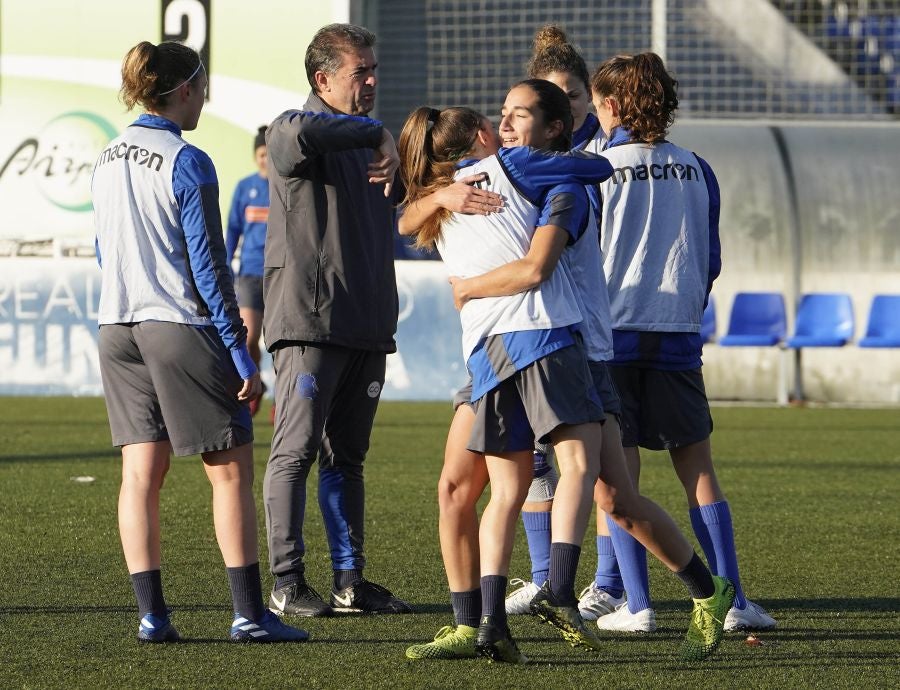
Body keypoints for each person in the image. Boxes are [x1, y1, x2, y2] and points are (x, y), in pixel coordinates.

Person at [401, 80, 733, 663]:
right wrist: (438, 198)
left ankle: (645, 591)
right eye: (499, 115)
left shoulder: (560, 185)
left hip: (575, 348)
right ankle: (480, 621)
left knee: (613, 496)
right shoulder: (468, 189)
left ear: (552, 128)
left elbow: (535, 266)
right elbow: (408, 220)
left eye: (516, 115)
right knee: (466, 486)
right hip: (502, 347)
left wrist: (469, 285)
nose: (504, 125)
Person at [91, 40, 307, 644]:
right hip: (179, 325)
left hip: (116, 327)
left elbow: (104, 250)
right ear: (184, 88)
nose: (206, 96)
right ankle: (248, 614)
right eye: (203, 85)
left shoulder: (105, 157)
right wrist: (242, 352)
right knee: (229, 470)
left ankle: (151, 617)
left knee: (140, 475)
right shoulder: (187, 160)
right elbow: (209, 265)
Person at [588, 53, 776, 634]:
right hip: (676, 335)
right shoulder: (698, 167)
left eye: (596, 106)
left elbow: (580, 254)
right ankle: (737, 599)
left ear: (614, 106)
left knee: (621, 477)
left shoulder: (595, 167)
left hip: (610, 338)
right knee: (698, 469)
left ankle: (638, 607)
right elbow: (710, 258)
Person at [262, 23, 411, 618]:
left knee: (347, 458)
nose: (372, 81)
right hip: (310, 324)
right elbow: (292, 132)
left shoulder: (376, 148)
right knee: (294, 453)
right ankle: (285, 581)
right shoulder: (295, 131)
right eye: (360, 72)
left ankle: (350, 582)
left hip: (366, 324)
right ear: (322, 80)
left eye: (374, 70)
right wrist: (378, 133)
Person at [502, 24, 618, 622]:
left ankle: (605, 583)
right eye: (551, 97)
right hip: (536, 336)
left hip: (586, 333)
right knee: (538, 464)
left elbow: (539, 262)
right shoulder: (519, 167)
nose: (565, 107)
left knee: (600, 472)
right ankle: (547, 579)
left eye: (573, 97)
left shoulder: (590, 164)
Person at [226, 126, 270, 417]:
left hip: (282, 273)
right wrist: (226, 264)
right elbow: (232, 229)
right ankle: (255, 384)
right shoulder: (246, 187)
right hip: (251, 273)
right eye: (262, 154)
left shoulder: (286, 187)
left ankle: (286, 401)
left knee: (283, 343)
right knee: (250, 335)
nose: (266, 159)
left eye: (270, 153)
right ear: (255, 156)